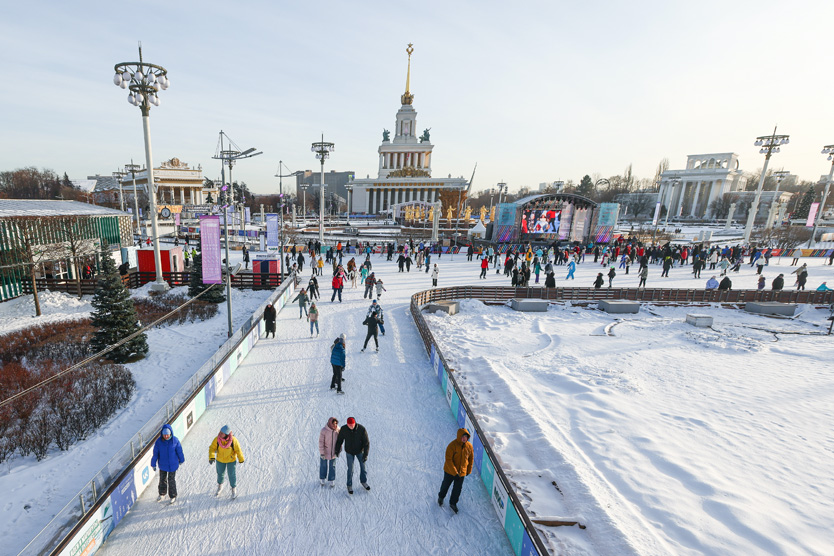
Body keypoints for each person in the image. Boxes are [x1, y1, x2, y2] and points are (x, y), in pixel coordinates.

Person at [437, 428, 474, 514]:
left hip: (461, 473)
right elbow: (448, 460)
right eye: (463, 436)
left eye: (466, 437)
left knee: (457, 489)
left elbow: (471, 459)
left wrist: (468, 470)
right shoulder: (452, 446)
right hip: (450, 471)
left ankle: (453, 503)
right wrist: (454, 473)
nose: (464, 438)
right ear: (459, 436)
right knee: (445, 485)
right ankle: (441, 497)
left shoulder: (469, 446)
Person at [151, 424, 185, 504]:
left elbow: (179, 451)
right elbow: (155, 454)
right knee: (162, 480)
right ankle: (162, 493)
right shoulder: (159, 442)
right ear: (162, 434)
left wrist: (181, 459)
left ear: (171, 434)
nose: (166, 436)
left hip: (173, 465)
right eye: (164, 434)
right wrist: (153, 464)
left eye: (167, 434)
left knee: (171, 480)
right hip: (163, 465)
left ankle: (173, 495)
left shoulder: (175, 441)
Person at [335, 417, 370, 495]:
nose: (351, 426)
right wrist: (337, 451)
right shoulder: (344, 429)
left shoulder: (361, 429)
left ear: (355, 423)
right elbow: (339, 440)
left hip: (359, 451)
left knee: (363, 467)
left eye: (352, 425)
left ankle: (363, 481)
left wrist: (365, 454)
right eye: (349, 425)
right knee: (350, 469)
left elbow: (366, 443)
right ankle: (349, 485)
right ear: (347, 424)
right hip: (349, 452)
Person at [209, 425, 245, 499]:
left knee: (231, 474)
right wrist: (211, 457)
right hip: (220, 460)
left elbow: (238, 449)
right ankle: (220, 486)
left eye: (222, 433)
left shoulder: (233, 440)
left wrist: (241, 458)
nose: (220, 433)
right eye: (220, 432)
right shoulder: (217, 439)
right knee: (220, 473)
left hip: (231, 461)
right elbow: (212, 448)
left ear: (226, 434)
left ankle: (233, 489)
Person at [318, 417, 339, 487]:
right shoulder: (324, 430)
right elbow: (321, 442)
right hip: (325, 452)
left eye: (336, 424)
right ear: (330, 423)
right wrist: (322, 453)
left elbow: (340, 442)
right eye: (333, 424)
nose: (335, 425)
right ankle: (322, 478)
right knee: (323, 465)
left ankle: (331, 479)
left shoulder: (338, 430)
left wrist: (338, 451)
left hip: (333, 452)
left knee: (332, 466)